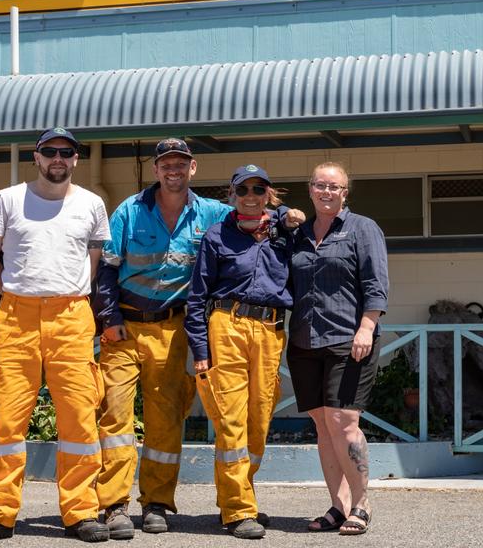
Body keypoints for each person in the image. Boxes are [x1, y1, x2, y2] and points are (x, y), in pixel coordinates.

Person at [92, 141, 301, 539]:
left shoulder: (212, 214)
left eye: (181, 164)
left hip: (173, 328)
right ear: (156, 170)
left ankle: (156, 503)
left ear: (193, 168)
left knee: (166, 418)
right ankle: (113, 505)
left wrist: (286, 216)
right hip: (125, 326)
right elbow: (106, 269)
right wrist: (109, 317)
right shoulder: (128, 211)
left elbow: (252, 213)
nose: (174, 170)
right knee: (115, 417)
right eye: (166, 164)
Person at [0, 128, 110, 545]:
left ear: (76, 159)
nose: (58, 158)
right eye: (50, 152)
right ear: (37, 157)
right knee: (7, 418)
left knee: (79, 416)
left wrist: (61, 297)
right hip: (17, 315)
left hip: (72, 315)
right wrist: (17, 296)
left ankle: (81, 513)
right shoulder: (6, 200)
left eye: (66, 152)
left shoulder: (92, 204)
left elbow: (92, 265)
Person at [185, 165, 293, 540]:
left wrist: (284, 218)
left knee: (259, 421)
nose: (250, 195)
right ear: (231, 194)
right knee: (230, 421)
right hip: (226, 327)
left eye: (258, 188)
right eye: (242, 189)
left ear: (268, 194)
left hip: (269, 331)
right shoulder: (216, 237)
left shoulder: (283, 236)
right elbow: (197, 297)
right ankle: (238, 510)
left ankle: (239, 493)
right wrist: (201, 349)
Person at [287, 162, 388, 536]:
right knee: (322, 426)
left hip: (349, 339)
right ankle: (338, 506)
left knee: (344, 424)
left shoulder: (363, 228)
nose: (327, 192)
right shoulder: (297, 235)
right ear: (310, 189)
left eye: (335, 187)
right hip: (303, 341)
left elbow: (376, 282)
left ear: (346, 192)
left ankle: (362, 504)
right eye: (320, 185)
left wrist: (367, 326)